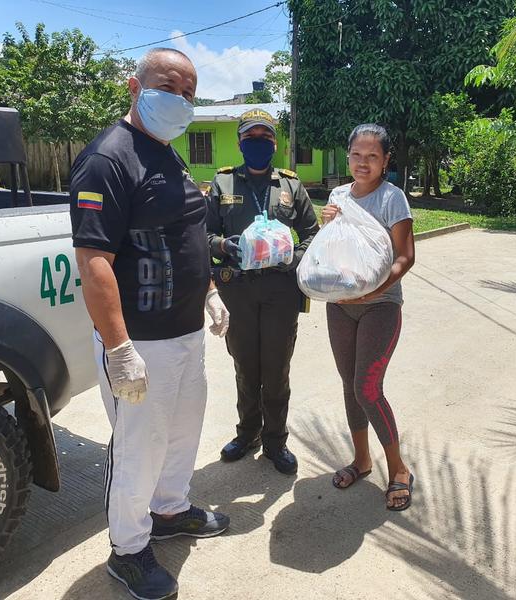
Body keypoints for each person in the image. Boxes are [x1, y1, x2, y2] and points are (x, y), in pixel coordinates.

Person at [70, 48, 230, 600]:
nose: (180, 100)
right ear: (135, 87)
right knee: (138, 446)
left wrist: (209, 291)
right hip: (140, 342)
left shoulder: (167, 153)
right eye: (169, 86)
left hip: (186, 334)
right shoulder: (108, 159)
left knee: (183, 432)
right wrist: (118, 348)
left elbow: (184, 232)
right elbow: (94, 264)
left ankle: (169, 511)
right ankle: (128, 549)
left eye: (189, 92)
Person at [206, 108, 319, 475]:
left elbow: (313, 233)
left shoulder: (290, 185)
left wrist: (293, 257)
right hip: (236, 291)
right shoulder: (222, 184)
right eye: (251, 137)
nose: (258, 143)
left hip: (279, 291)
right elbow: (200, 235)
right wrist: (224, 246)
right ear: (240, 142)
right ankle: (247, 433)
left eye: (265, 138)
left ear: (275, 143)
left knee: (275, 369)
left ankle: (275, 442)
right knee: (245, 366)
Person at [321, 124, 416, 511]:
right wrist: (328, 224)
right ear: (348, 156)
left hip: (381, 305)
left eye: (372, 156)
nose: (363, 162)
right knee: (349, 385)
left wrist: (375, 291)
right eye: (357, 155)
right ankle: (362, 460)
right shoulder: (338, 196)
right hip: (340, 304)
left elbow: (405, 257)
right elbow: (332, 249)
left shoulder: (394, 199)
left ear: (385, 160)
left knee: (367, 389)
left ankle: (399, 469)